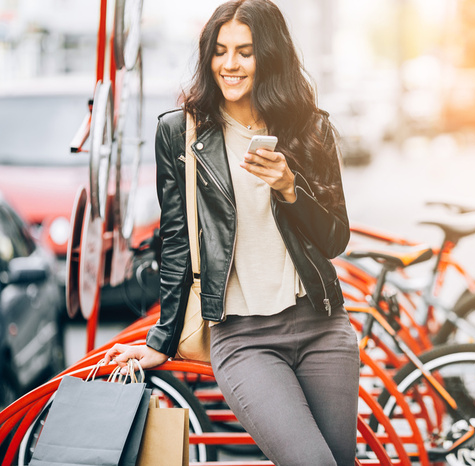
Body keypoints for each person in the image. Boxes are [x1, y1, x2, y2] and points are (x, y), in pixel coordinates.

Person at [104, 1, 360, 464]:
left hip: (322, 326)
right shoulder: (180, 133)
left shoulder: (310, 128)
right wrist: (162, 340)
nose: (230, 64)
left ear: (270, 55)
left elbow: (335, 239)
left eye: (245, 51)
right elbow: (177, 244)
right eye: (220, 51)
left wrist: (288, 187)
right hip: (243, 337)